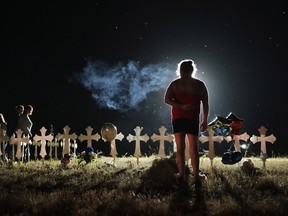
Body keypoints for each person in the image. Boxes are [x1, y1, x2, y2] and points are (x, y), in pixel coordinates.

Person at [164, 59, 209, 186]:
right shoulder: (200, 85)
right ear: (192, 70)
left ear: (180, 70)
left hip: (178, 118)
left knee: (180, 148)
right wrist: (204, 120)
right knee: (194, 148)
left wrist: (180, 106)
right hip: (192, 119)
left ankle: (181, 174)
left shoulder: (175, 84)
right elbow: (206, 104)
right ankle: (196, 175)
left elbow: (167, 99)